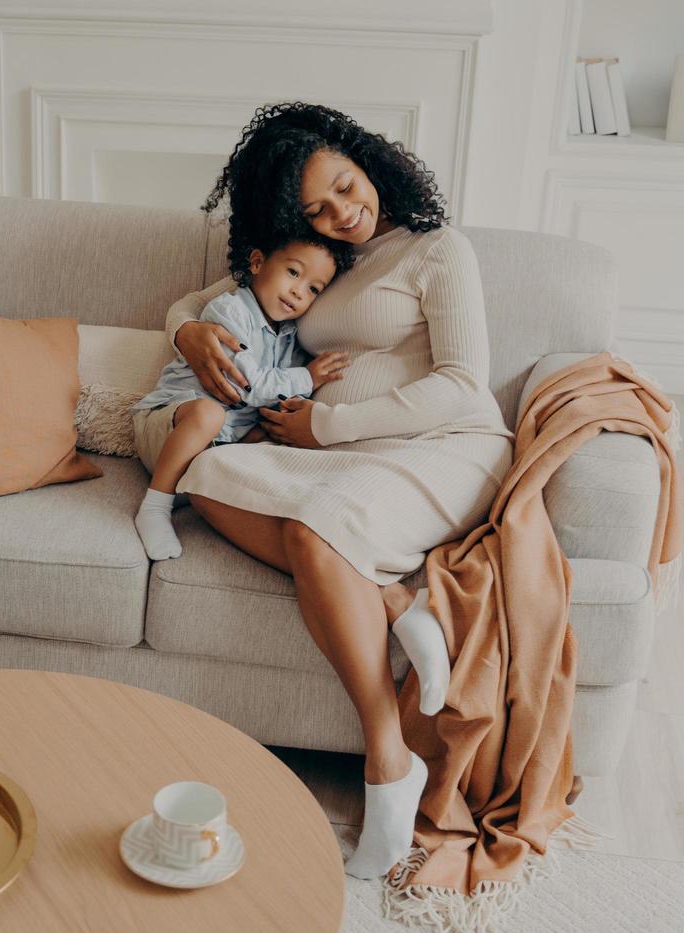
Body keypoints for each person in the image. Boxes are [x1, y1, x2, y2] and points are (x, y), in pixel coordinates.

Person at [165, 103, 516, 880]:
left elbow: (462, 384)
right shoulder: (321, 253)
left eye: (347, 188)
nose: (342, 214)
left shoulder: (436, 249)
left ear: (370, 163)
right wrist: (184, 330)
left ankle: (388, 765)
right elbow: (213, 299)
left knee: (315, 527)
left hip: (447, 445)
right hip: (343, 456)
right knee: (202, 471)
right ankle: (396, 602)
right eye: (317, 208)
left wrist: (326, 428)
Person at [131, 233, 352, 560]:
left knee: (271, 435)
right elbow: (252, 385)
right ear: (258, 263)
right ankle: (154, 507)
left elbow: (275, 396)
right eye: (293, 273)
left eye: (313, 289)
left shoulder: (289, 336)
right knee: (209, 414)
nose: (298, 291)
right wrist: (308, 376)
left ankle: (191, 489)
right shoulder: (229, 311)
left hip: (220, 442)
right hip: (167, 427)